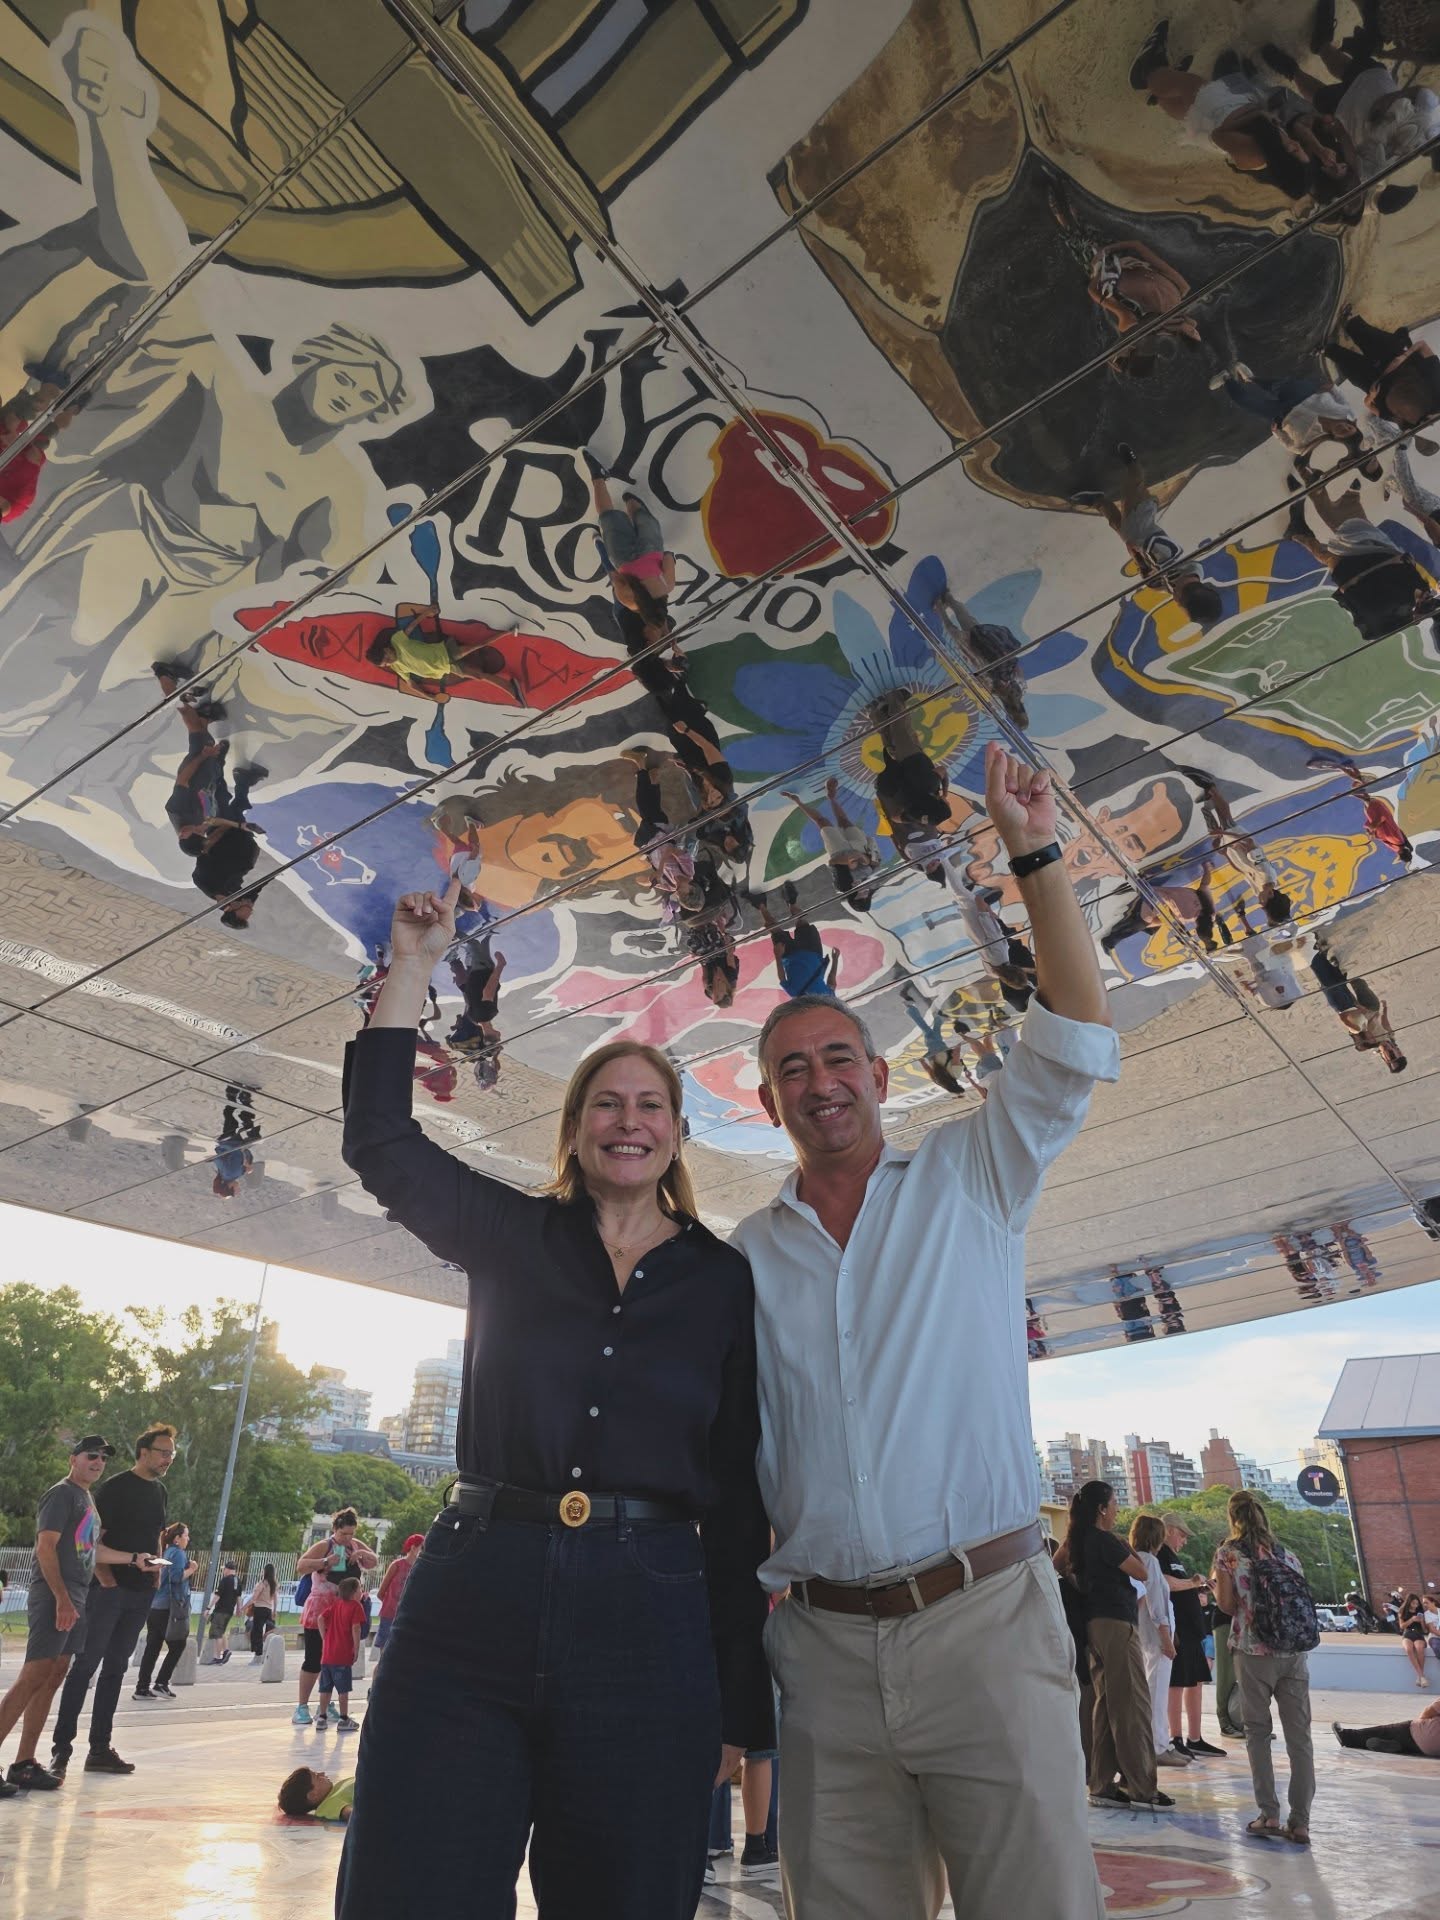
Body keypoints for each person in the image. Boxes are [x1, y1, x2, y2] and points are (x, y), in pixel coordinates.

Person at [332, 875, 773, 1919]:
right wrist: (411, 966)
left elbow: (736, 1494)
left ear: (675, 1135)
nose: (629, 1122)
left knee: (626, 1895)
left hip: (649, 1618)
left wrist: (737, 1701)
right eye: (607, 1105)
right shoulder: (511, 1236)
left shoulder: (724, 1281)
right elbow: (380, 1143)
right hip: (474, 1598)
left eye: (650, 1106)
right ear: (576, 1130)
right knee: (415, 1886)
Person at [735, 742, 1121, 1916]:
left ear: (881, 1075)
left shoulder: (973, 1178)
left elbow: (1070, 1029)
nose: (819, 1083)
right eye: (792, 1070)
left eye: (838, 1058)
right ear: (768, 1103)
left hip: (985, 1630)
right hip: (824, 1659)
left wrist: (1033, 854)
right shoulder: (743, 1259)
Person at [0, 1437, 161, 1796]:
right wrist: (60, 1598)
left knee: (53, 1674)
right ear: (73, 1459)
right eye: (92, 1456)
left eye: (104, 1458)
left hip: (77, 1595)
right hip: (56, 1595)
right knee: (34, 1674)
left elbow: (92, 1549)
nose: (98, 1462)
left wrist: (135, 1558)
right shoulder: (61, 1494)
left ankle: (24, 1763)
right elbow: (45, 1547)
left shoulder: (86, 1498)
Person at [49, 1424, 177, 1778]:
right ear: (144, 1451)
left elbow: (156, 1535)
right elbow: (93, 1542)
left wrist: (156, 1570)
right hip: (108, 1591)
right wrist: (106, 1582)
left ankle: (100, 1749)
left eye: (172, 1453)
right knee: (85, 1667)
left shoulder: (160, 1491)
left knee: (116, 1669)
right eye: (163, 1451)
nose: (168, 1458)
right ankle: (61, 1749)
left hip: (141, 1593)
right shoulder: (114, 1488)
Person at [1213, 1490, 1318, 1845]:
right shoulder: (1288, 1554)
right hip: (1293, 1653)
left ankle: (1269, 1814)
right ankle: (1300, 1821)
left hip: (1253, 1652)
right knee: (1299, 1738)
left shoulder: (1228, 1553)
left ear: (1233, 1518)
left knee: (1257, 1734)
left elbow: (1227, 1606)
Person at [1064, 1483, 1170, 1813]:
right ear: (1102, 1509)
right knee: (1132, 1705)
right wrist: (1126, 1545)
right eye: (1114, 1504)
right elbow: (1142, 1573)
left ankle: (1101, 1783)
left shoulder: (1076, 1540)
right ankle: (1141, 1786)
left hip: (1092, 1626)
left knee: (1105, 1704)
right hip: (1116, 1623)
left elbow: (1055, 1566)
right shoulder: (1106, 1540)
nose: (1117, 1510)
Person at [1073, 446, 1223, 628]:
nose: (1176, 603)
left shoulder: (1177, 587)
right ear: (1184, 596)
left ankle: (1097, 500)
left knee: (1115, 522)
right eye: (1180, 604)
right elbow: (1155, 541)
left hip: (1134, 537)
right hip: (1140, 518)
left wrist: (1142, 563)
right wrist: (1137, 550)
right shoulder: (1177, 559)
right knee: (1132, 487)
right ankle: (1133, 463)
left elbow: (1158, 582)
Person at [293, 1510, 378, 1728]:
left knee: (332, 1661)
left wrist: (360, 1555)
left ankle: (326, 1704)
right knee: (314, 1659)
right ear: (335, 1530)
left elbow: (374, 1561)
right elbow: (301, 1565)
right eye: (343, 1534)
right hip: (320, 1610)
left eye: (351, 1534)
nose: (347, 1539)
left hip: (343, 1613)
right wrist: (324, 1561)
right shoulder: (326, 1545)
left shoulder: (355, 1545)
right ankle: (301, 1706)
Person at [1158, 1516, 1222, 1760]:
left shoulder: (1174, 1557)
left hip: (1193, 1631)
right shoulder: (1160, 1555)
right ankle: (1176, 1736)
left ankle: (1195, 1738)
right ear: (1170, 1531)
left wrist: (1198, 1587)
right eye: (1182, 1535)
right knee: (1177, 1682)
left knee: (1195, 1680)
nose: (1184, 1540)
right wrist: (1193, 1582)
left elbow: (1181, 1584)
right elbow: (1166, 1583)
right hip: (1179, 1630)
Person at [1129, 1513, 1187, 1769]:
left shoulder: (1135, 1560)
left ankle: (1161, 1741)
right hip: (1155, 1639)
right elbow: (1156, 1604)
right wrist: (1167, 1637)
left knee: (1154, 1689)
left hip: (1146, 1637)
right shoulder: (1150, 1562)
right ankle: (1158, 1745)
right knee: (1157, 1691)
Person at [782, 778, 884, 913]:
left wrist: (849, 860)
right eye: (866, 895)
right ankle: (831, 797)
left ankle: (797, 801)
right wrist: (863, 858)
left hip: (839, 851)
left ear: (853, 898)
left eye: (859, 896)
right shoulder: (873, 885)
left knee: (822, 821)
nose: (863, 892)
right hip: (861, 848)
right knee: (844, 821)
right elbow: (876, 864)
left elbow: (832, 862)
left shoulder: (843, 886)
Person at [134, 1522, 195, 1700]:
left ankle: (142, 1687)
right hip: (169, 1607)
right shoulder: (178, 1554)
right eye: (186, 1535)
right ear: (177, 1539)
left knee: (153, 1646)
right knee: (178, 1644)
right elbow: (176, 1578)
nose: (188, 1539)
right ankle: (161, 1683)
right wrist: (191, 1569)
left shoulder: (166, 1551)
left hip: (155, 1606)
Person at [757, 882, 840, 999]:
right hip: (812, 953)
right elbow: (832, 984)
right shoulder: (829, 999)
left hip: (790, 956)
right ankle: (791, 901)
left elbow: (782, 979)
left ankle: (761, 906)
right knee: (802, 922)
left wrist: (778, 955)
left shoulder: (797, 996)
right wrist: (835, 960)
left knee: (773, 928)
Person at [314, 1576, 366, 1733]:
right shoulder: (356, 1607)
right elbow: (356, 1628)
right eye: (360, 1589)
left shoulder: (336, 1605)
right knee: (343, 1690)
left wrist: (325, 1637)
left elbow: (321, 1618)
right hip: (342, 1655)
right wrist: (356, 1648)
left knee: (325, 1688)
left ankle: (322, 1717)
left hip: (327, 1655)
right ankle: (343, 1719)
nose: (361, 1592)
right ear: (353, 1592)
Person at [373, 1537, 424, 1656]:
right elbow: (381, 1592)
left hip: (408, 1616)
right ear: (413, 1547)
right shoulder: (397, 1565)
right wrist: (392, 1604)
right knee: (385, 1651)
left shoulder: (420, 1568)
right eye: (422, 1547)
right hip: (389, 1615)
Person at [1334, 1700, 1440, 1756]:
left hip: (1423, 1735)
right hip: (1431, 1752)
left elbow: (1428, 1712)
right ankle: (1400, 1747)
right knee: (1413, 1743)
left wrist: (1420, 1724)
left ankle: (1347, 1736)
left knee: (1389, 1730)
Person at [279, 1766, 355, 1821]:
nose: (322, 1773)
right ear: (312, 1795)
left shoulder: (336, 1788)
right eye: (317, 1776)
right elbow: (352, 1814)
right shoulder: (328, 1805)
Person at [208, 1558, 242, 1655]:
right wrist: (239, 1609)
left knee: (217, 1634)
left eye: (224, 1569)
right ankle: (226, 1650)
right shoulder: (238, 1581)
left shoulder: (225, 1580)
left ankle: (217, 1657)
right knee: (222, 1631)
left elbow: (217, 1596)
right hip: (230, 1610)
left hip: (220, 1610)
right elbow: (238, 1597)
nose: (223, 1571)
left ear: (228, 1569)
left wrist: (208, 1608)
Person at [247, 1564, 278, 1660]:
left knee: (257, 1631)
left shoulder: (262, 1584)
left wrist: (243, 1607)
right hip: (268, 1609)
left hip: (259, 1609)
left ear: (265, 1572)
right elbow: (276, 1599)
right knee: (268, 1631)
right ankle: (266, 1653)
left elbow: (254, 1598)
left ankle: (258, 1654)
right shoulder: (274, 1585)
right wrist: (274, 1610)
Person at [1398, 1592, 1430, 1685]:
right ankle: (1421, 1676)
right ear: (1409, 1602)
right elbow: (1402, 1626)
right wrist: (1411, 1619)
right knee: (1408, 1649)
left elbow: (1424, 1630)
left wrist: (1421, 1622)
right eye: (1413, 1603)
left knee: (1419, 1648)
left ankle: (1420, 1676)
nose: (1415, 1605)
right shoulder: (1402, 1611)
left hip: (1418, 1634)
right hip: (1407, 1633)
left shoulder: (1420, 1612)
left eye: (1417, 1603)